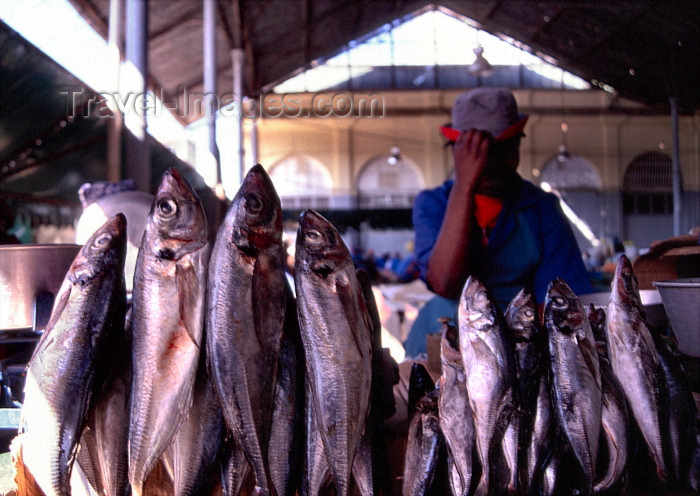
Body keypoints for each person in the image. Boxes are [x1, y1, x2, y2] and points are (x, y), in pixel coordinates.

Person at [404, 87, 592, 357]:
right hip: (443, 346)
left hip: (519, 346)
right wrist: (464, 184)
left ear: (517, 146)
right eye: (479, 154)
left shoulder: (540, 208)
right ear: (458, 153)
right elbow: (445, 282)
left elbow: (556, 302)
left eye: (502, 151)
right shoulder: (434, 204)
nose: (490, 164)